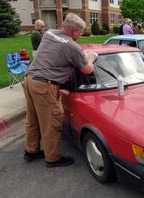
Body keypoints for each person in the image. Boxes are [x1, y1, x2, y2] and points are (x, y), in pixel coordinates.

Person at [23, 13, 98, 167]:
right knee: (51, 122)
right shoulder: (72, 46)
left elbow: (56, 53)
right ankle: (52, 158)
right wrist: (91, 56)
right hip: (45, 85)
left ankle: (31, 151)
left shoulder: (49, 33)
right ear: (75, 31)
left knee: (33, 119)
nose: (81, 35)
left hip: (29, 79)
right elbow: (87, 70)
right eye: (81, 32)